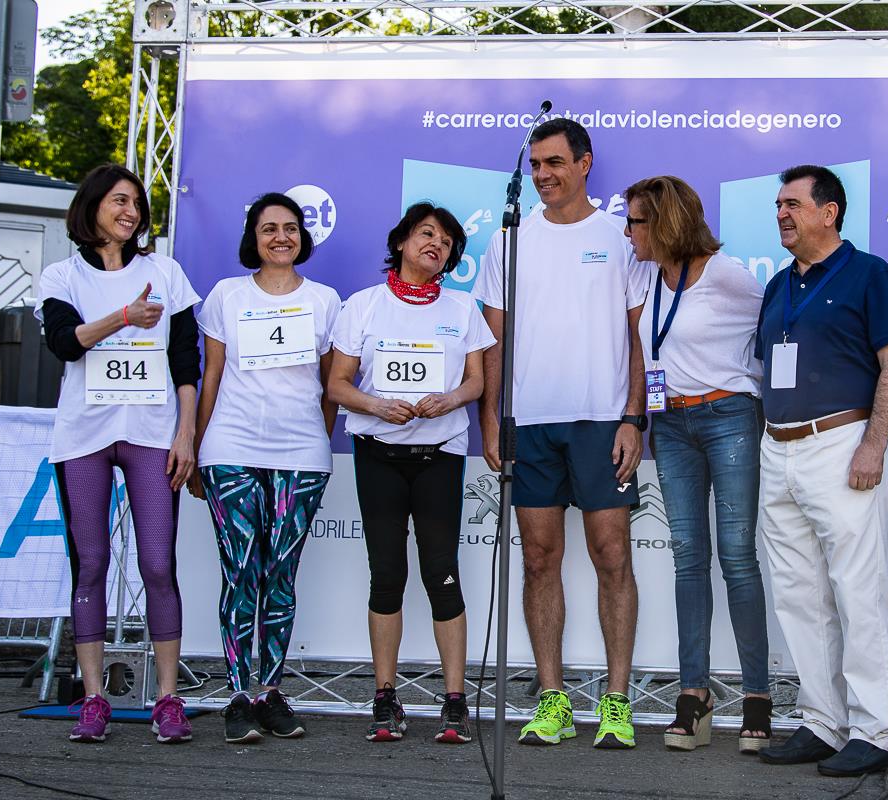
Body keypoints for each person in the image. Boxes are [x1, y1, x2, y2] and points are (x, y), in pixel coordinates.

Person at [475, 118, 652, 749]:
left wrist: (633, 417)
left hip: (603, 421)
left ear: (584, 163)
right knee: (538, 559)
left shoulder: (620, 239)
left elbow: (638, 338)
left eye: (554, 162)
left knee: (612, 556)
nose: (543, 175)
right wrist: (492, 419)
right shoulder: (509, 241)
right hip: (530, 423)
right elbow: (492, 340)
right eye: (535, 165)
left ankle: (616, 702)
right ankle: (553, 700)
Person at [35, 163, 201, 744]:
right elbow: (64, 342)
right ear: (92, 207)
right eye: (118, 201)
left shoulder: (164, 271)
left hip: (152, 435)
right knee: (92, 565)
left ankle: (168, 699)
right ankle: (94, 698)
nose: (130, 212)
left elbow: (186, 360)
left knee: (157, 564)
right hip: (84, 436)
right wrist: (124, 317)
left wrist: (186, 434)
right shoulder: (61, 275)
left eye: (136, 202)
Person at [755, 166, 888, 776]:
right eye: (777, 204)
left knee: (857, 591)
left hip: (842, 442)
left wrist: (874, 445)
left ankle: (875, 730)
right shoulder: (778, 284)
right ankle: (823, 721)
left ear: (830, 212)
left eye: (793, 204)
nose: (781, 214)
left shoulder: (870, 274)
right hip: (778, 447)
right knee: (798, 593)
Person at [327, 202, 493, 745]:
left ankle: (454, 701)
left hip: (439, 454)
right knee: (386, 574)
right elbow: (337, 385)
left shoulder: (462, 307)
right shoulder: (362, 305)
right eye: (426, 234)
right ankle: (385, 696)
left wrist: (450, 399)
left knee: (442, 573)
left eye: (446, 242)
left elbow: (476, 382)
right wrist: (376, 406)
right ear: (400, 241)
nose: (436, 245)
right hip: (378, 453)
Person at [623, 175, 772, 753]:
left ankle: (757, 695)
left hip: (729, 416)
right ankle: (695, 694)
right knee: (688, 559)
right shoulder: (647, 275)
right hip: (672, 425)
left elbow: (778, 330)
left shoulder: (726, 274)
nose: (628, 232)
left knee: (736, 557)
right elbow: (647, 352)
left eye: (636, 221)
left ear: (664, 222)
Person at [189, 192, 341, 743]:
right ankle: (236, 694)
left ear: (303, 237)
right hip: (230, 448)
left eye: (291, 228)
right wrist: (196, 448)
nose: (281, 237)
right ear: (253, 238)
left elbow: (330, 384)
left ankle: (270, 693)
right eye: (269, 228)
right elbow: (211, 376)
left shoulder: (325, 300)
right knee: (240, 571)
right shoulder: (226, 295)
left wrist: (316, 438)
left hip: (300, 455)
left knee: (280, 575)